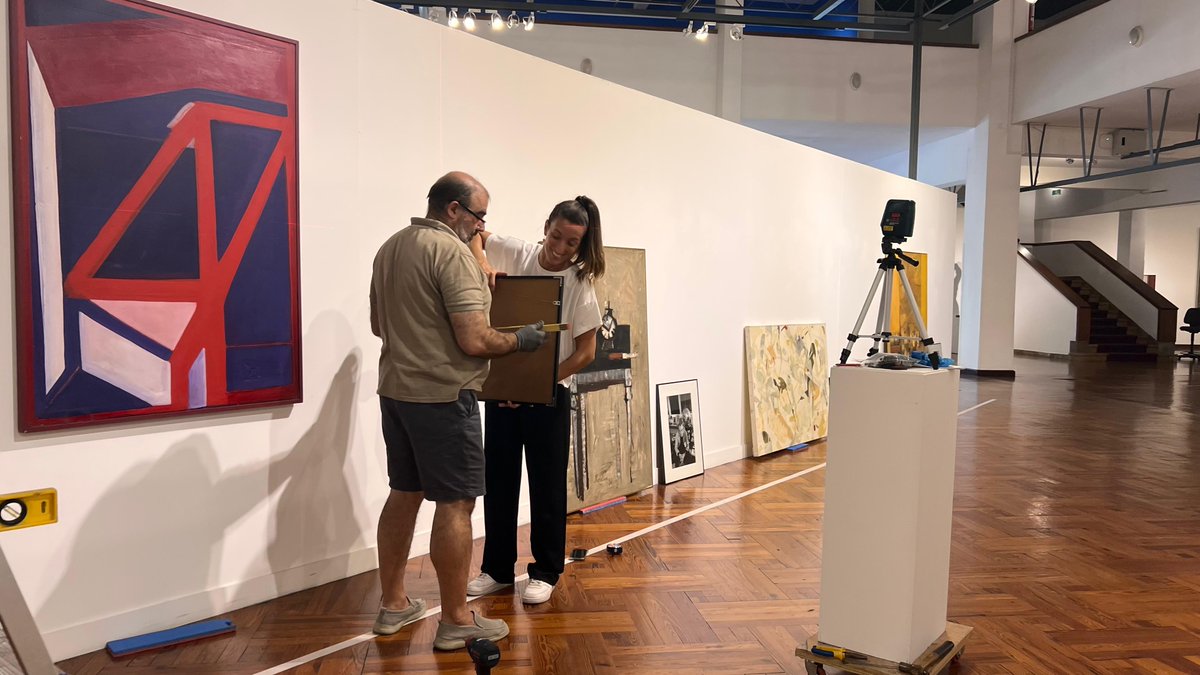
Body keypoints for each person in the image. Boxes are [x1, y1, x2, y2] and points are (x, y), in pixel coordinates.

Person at [368, 171, 547, 650]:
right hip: (445, 399)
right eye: (478, 215)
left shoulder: (391, 247)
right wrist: (521, 340)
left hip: (397, 393)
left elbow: (376, 324)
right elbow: (474, 339)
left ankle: (392, 606)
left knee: (404, 492)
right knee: (456, 504)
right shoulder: (450, 252)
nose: (481, 227)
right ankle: (455, 620)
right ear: (453, 210)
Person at [465, 196, 606, 605]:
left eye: (571, 243)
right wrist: (484, 265)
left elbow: (585, 352)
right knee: (499, 484)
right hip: (502, 396)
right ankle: (496, 569)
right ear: (546, 226)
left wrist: (538, 384)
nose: (560, 248)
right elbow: (476, 233)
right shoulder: (518, 251)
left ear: (582, 245)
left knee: (546, 489)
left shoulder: (580, 283)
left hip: (548, 399)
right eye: (556, 236)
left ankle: (545, 571)